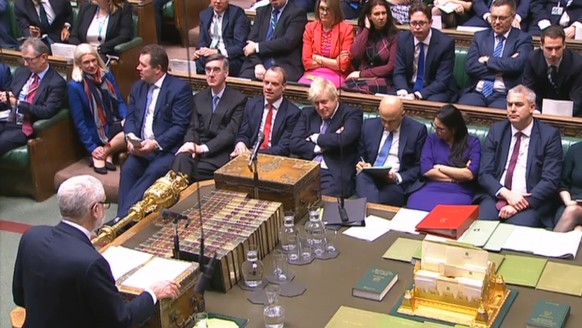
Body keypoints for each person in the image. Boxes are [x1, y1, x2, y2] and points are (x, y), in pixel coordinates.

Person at [12, 175, 181, 328]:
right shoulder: (91, 263)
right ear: (96, 210)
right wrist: (152, 293)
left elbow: (19, 297)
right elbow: (121, 320)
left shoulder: (31, 236)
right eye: (104, 204)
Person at [116, 44, 193, 220]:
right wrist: (131, 137)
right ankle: (123, 218)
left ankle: (123, 219)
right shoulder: (138, 87)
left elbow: (179, 126)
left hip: (166, 150)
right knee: (128, 169)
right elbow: (131, 118)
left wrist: (155, 143)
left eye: (143, 65)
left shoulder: (179, 89)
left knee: (152, 172)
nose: (138, 68)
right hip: (141, 147)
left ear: (158, 69)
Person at [476, 85, 563, 227]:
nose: (512, 109)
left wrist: (519, 204)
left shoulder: (549, 136)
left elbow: (550, 180)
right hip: (497, 195)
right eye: (509, 104)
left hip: (532, 201)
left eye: (519, 104)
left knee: (513, 232)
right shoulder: (497, 131)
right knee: (481, 226)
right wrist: (507, 195)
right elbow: (484, 174)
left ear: (532, 107)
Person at [172, 54, 247, 183]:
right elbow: (193, 128)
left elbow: (230, 133)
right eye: (208, 69)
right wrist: (190, 143)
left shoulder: (238, 100)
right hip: (197, 149)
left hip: (219, 152)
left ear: (226, 73)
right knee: (181, 158)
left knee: (187, 172)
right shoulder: (198, 98)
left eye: (216, 70)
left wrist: (203, 148)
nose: (211, 74)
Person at [290, 77, 363, 197]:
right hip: (306, 169)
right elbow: (294, 143)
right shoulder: (307, 113)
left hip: (333, 173)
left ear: (335, 98)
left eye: (324, 102)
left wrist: (315, 138)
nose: (320, 108)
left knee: (320, 202)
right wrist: (319, 148)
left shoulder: (351, 114)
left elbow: (344, 140)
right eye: (316, 103)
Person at [458, 0, 532, 109]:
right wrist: (504, 65)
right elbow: (470, 67)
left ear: (512, 17)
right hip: (477, 92)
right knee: (464, 107)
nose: (496, 22)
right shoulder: (480, 37)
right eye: (494, 17)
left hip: (505, 94)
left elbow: (517, 65)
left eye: (502, 18)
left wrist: (488, 61)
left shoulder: (522, 39)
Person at [407, 104, 481, 211]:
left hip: (459, 190)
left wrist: (439, 167)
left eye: (441, 129)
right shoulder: (431, 140)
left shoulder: (472, 143)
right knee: (414, 202)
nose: (436, 131)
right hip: (432, 186)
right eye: (435, 126)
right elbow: (427, 170)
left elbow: (469, 175)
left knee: (447, 211)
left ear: (453, 129)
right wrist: (457, 176)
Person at [0, 37, 66, 157]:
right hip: (7, 118)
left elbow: (47, 111)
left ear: (44, 58)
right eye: (24, 59)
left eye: (29, 60)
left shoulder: (56, 82)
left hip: (25, 126)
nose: (25, 64)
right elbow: (11, 94)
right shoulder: (22, 72)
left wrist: (19, 103)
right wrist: (6, 97)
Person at [355, 96, 427, 206]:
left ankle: (368, 211)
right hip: (369, 177)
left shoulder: (417, 130)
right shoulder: (368, 125)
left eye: (391, 121)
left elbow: (419, 166)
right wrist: (360, 164)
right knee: (362, 176)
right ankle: (374, 210)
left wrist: (397, 177)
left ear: (402, 115)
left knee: (384, 197)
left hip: (395, 183)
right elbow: (359, 154)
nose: (386, 125)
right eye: (383, 120)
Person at [68, 44, 127, 174]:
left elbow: (120, 100)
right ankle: (102, 153)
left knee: (133, 127)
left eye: (94, 60)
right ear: (78, 64)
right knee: (128, 133)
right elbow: (80, 121)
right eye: (86, 62)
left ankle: (106, 152)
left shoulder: (107, 75)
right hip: (96, 129)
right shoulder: (75, 86)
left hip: (114, 121)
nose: (92, 65)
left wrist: (126, 118)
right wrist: (92, 147)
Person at [393, 3, 458, 102]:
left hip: (436, 89)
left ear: (430, 23)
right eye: (414, 23)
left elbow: (442, 81)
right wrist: (403, 91)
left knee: (432, 102)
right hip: (409, 87)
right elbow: (399, 72)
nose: (417, 27)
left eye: (422, 23)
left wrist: (418, 95)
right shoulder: (402, 39)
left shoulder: (445, 43)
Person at [231, 66, 300, 158]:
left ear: (284, 87)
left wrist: (253, 153)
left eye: (274, 84)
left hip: (275, 159)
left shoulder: (293, 113)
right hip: (247, 155)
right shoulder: (252, 105)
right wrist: (240, 144)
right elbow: (244, 134)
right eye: (266, 82)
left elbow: (283, 147)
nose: (268, 87)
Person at [239, 0, 307, 82]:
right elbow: (250, 44)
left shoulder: (297, 13)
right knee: (244, 81)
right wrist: (258, 64)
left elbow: (288, 42)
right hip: (260, 61)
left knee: (276, 82)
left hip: (284, 63)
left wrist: (258, 47)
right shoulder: (261, 11)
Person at [522, 25, 582, 116]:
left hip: (570, 111)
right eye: (549, 49)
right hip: (539, 109)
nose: (553, 54)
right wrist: (536, 111)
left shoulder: (577, 64)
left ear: (564, 45)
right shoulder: (532, 59)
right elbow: (528, 89)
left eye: (557, 48)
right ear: (541, 45)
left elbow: (577, 99)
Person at [342, 0, 399, 95]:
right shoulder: (364, 31)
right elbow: (355, 54)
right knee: (343, 87)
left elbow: (390, 67)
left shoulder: (394, 35)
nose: (381, 17)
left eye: (383, 13)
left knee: (358, 90)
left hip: (383, 79)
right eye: (376, 14)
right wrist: (366, 28)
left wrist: (361, 74)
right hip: (362, 78)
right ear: (369, 16)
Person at [298, 0, 354, 87]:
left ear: (335, 10)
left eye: (328, 9)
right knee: (301, 88)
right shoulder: (310, 28)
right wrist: (333, 62)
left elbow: (342, 65)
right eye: (321, 8)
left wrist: (318, 58)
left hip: (336, 74)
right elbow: (306, 62)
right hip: (313, 73)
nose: (324, 12)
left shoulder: (346, 29)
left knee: (324, 90)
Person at [195, 0, 250, 77]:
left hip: (230, 57)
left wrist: (217, 52)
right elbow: (202, 41)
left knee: (219, 66)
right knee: (196, 63)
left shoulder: (237, 14)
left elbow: (240, 45)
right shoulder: (204, 14)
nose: (218, 1)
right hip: (209, 55)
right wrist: (200, 51)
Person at [68, 0, 133, 58]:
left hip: (105, 53)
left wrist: (99, 49)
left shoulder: (123, 8)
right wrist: (82, 49)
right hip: (83, 52)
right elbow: (74, 34)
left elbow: (124, 36)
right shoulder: (86, 6)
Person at [554, 142, 582, 232]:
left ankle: (549, 245)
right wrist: (568, 201)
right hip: (573, 203)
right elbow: (563, 183)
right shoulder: (575, 149)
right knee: (578, 230)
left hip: (572, 211)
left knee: (572, 212)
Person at [462, 0, 529, 30]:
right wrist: (487, 16)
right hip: (487, 15)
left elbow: (526, 3)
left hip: (512, 17)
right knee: (464, 31)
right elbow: (478, 1)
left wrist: (516, 18)